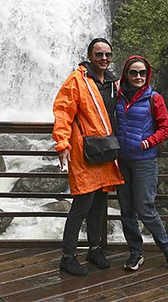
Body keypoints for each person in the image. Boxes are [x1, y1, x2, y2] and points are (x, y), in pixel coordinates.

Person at [52, 38, 125, 276]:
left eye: (107, 55)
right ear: (89, 56)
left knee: (100, 203)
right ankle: (67, 256)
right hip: (84, 150)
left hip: (105, 149)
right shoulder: (77, 79)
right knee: (82, 204)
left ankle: (94, 249)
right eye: (99, 55)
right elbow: (63, 111)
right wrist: (62, 143)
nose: (104, 59)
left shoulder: (113, 82)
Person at [115, 55, 168, 271]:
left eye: (142, 73)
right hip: (122, 160)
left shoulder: (154, 98)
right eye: (133, 72)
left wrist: (147, 143)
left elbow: (165, 129)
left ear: (147, 75)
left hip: (144, 160)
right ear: (126, 74)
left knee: (145, 207)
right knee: (126, 210)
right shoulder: (117, 95)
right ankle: (135, 252)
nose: (138, 76)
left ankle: (166, 246)